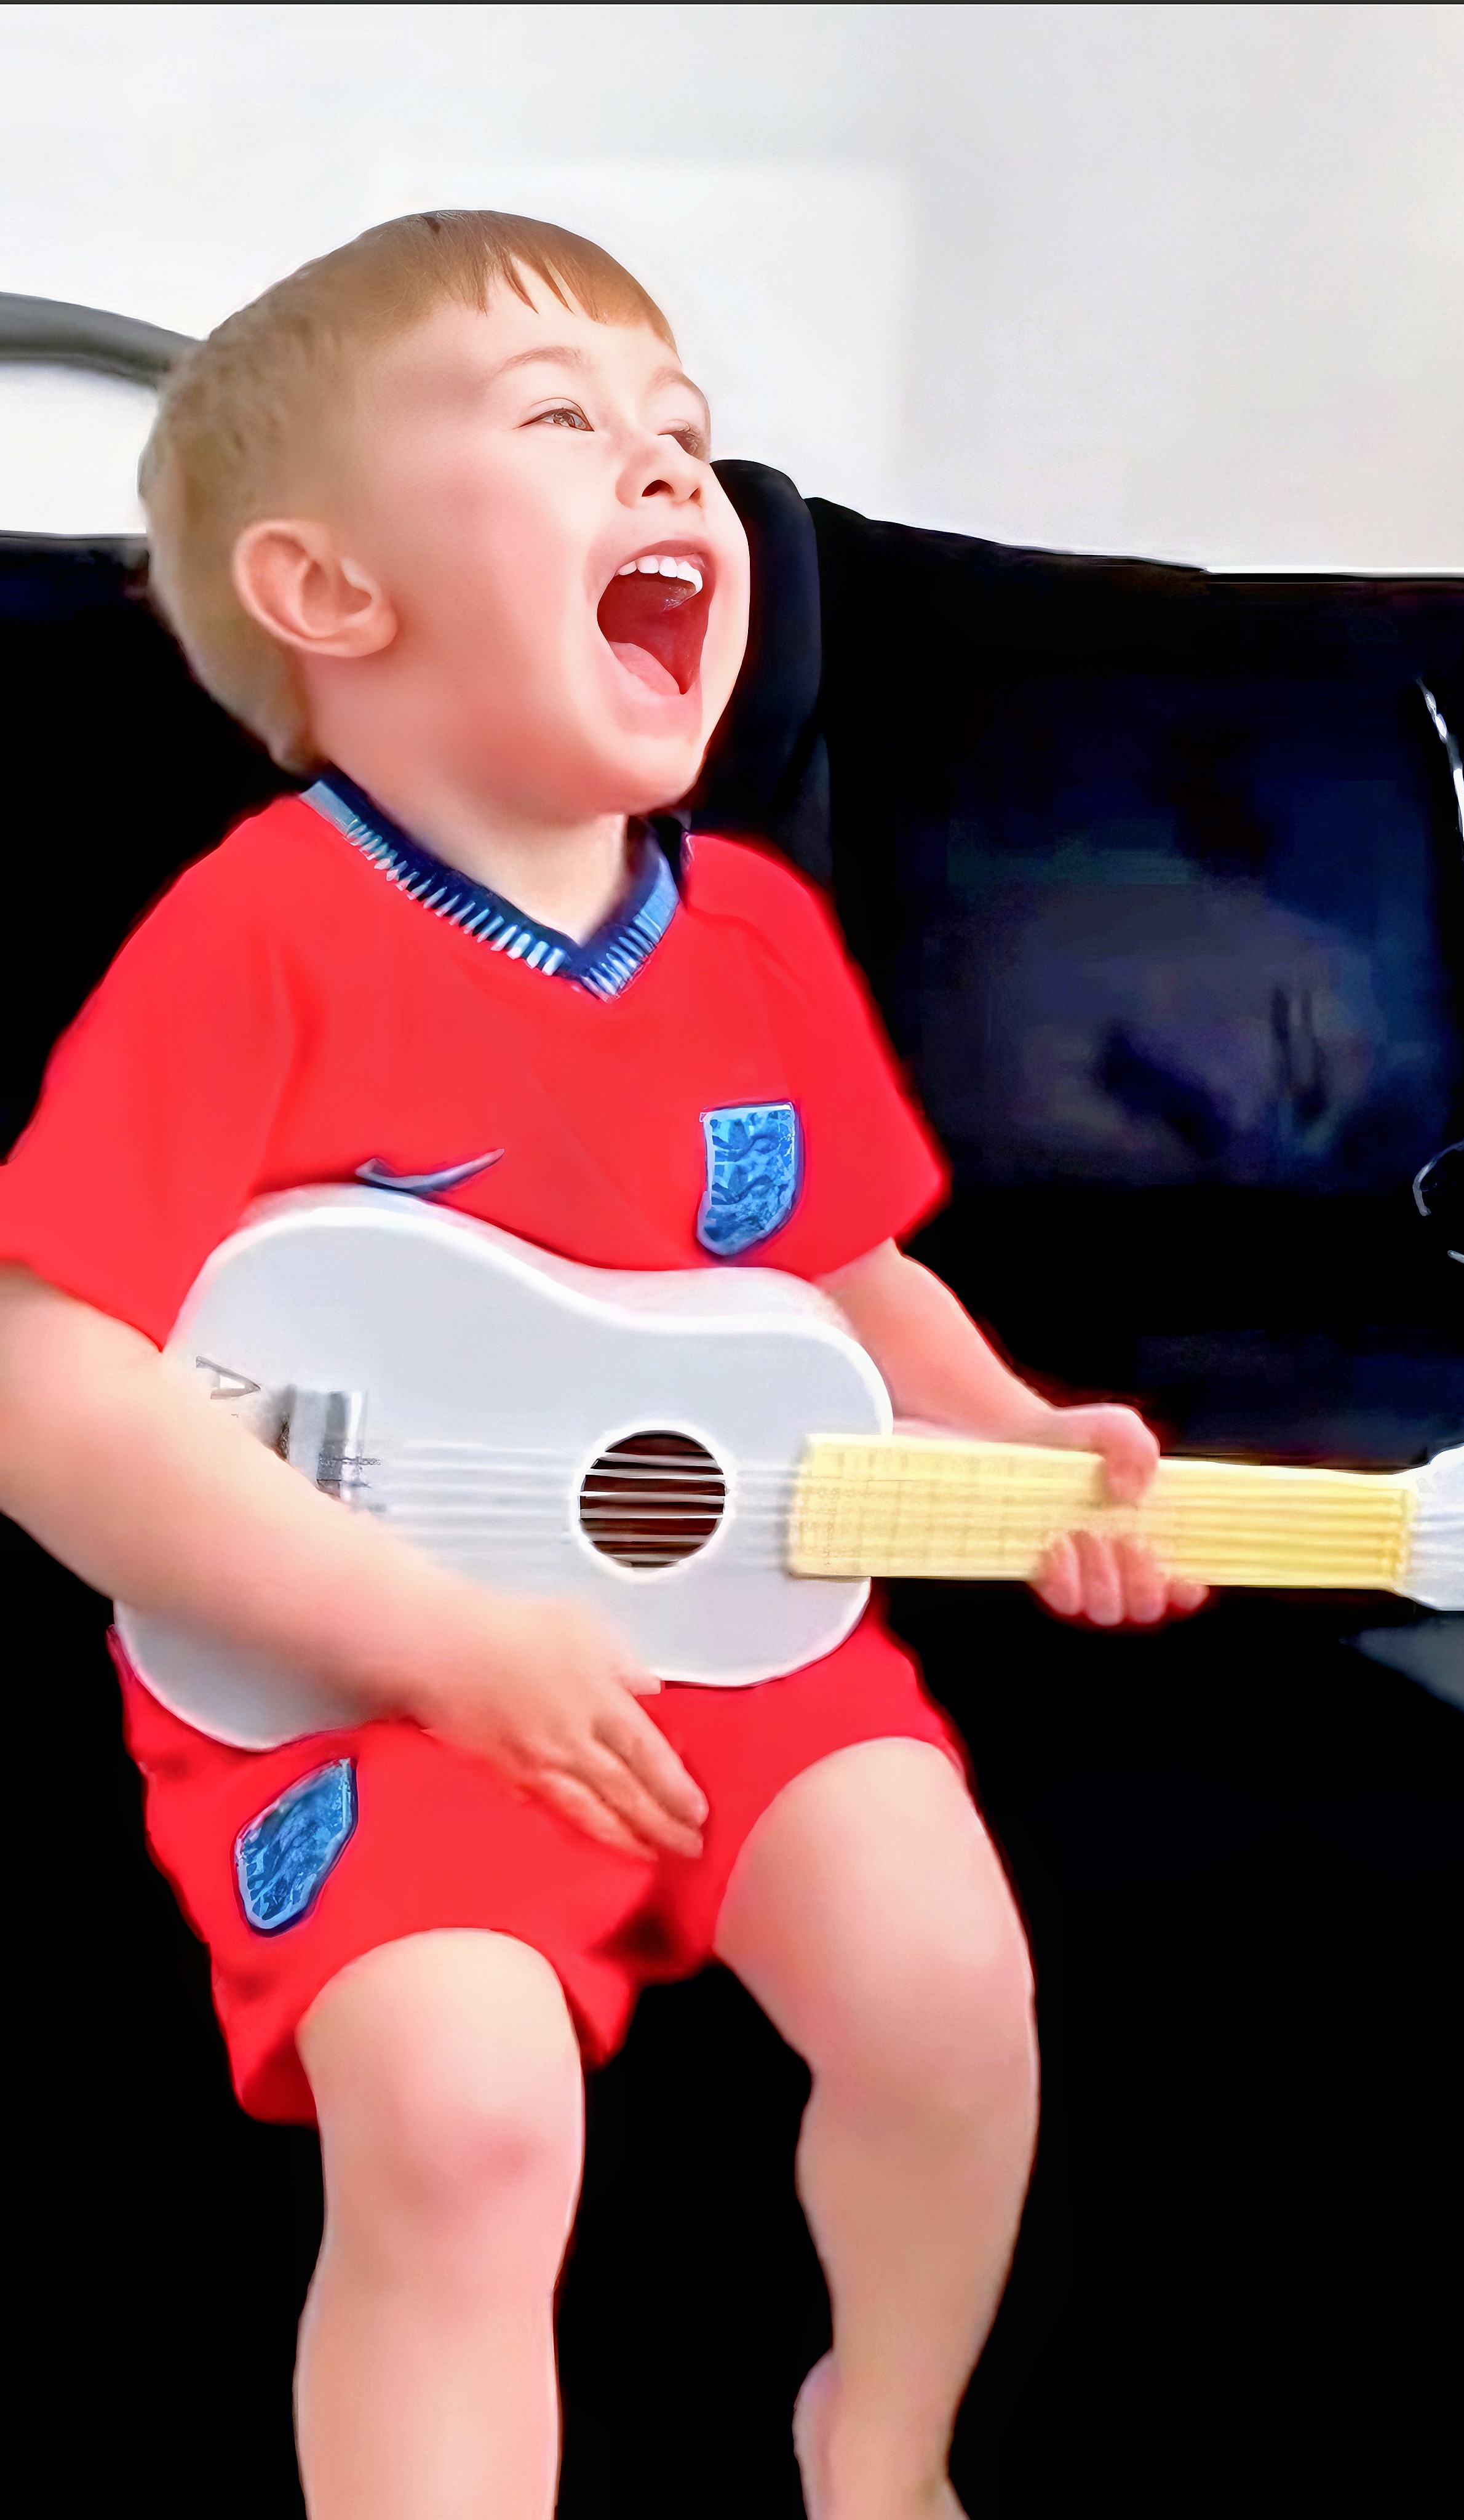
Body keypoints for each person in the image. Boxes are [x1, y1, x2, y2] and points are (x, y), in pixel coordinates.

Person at [0, 212, 1204, 2520]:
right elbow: (52, 1387)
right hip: (366, 1652)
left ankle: (888, 2445)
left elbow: (843, 1275)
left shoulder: (748, 929)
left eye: (690, 441)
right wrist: (439, 1642)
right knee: (463, 2124)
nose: (673, 482)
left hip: (746, 1613)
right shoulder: (260, 931)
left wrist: (1026, 1447)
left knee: (955, 1994)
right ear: (332, 596)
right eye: (567, 429)